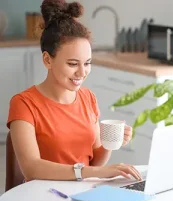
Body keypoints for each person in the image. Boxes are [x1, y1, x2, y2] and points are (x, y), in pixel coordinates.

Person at [6, 0, 142, 182]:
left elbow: (95, 163)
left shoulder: (88, 98)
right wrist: (90, 173)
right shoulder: (24, 104)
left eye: (87, 63)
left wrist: (109, 143)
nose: (82, 72)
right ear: (47, 60)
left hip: (82, 191)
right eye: (72, 64)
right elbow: (32, 168)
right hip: (44, 195)